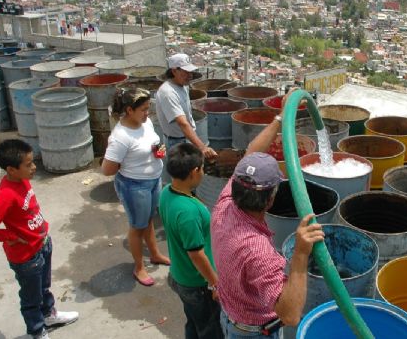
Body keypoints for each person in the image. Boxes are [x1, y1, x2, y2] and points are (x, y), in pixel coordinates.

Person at [211, 90, 325, 338]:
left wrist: (281, 118)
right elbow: (290, 315)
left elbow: (251, 154)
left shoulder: (225, 203)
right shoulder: (258, 251)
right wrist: (300, 255)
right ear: (271, 199)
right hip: (254, 332)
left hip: (232, 317)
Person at [0, 139, 79, 339]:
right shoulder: (5, 196)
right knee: (31, 297)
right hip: (26, 258)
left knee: (44, 287)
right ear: (11, 169)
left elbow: (28, 210)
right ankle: (37, 330)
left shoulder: (23, 180)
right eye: (28, 164)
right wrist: (10, 235)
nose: (34, 167)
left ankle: (48, 315)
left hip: (43, 244)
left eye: (32, 162)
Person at [102, 88, 170, 287]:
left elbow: (151, 142)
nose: (147, 113)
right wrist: (126, 163)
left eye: (148, 108)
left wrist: (158, 151)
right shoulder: (121, 137)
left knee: (148, 220)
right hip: (134, 185)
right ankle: (139, 267)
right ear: (129, 110)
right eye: (143, 109)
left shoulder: (145, 123)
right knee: (137, 226)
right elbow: (107, 169)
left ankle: (155, 254)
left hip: (153, 179)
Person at [160, 143, 223, 339]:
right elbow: (196, 254)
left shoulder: (167, 193)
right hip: (198, 285)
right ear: (195, 171)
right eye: (202, 168)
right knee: (210, 329)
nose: (203, 172)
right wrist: (214, 283)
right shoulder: (188, 212)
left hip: (181, 276)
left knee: (194, 322)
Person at [155, 53, 216, 159]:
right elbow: (182, 123)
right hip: (176, 143)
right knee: (181, 174)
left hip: (186, 138)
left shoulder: (182, 85)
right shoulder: (168, 93)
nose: (190, 75)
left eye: (191, 72)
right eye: (186, 72)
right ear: (174, 71)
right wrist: (202, 147)